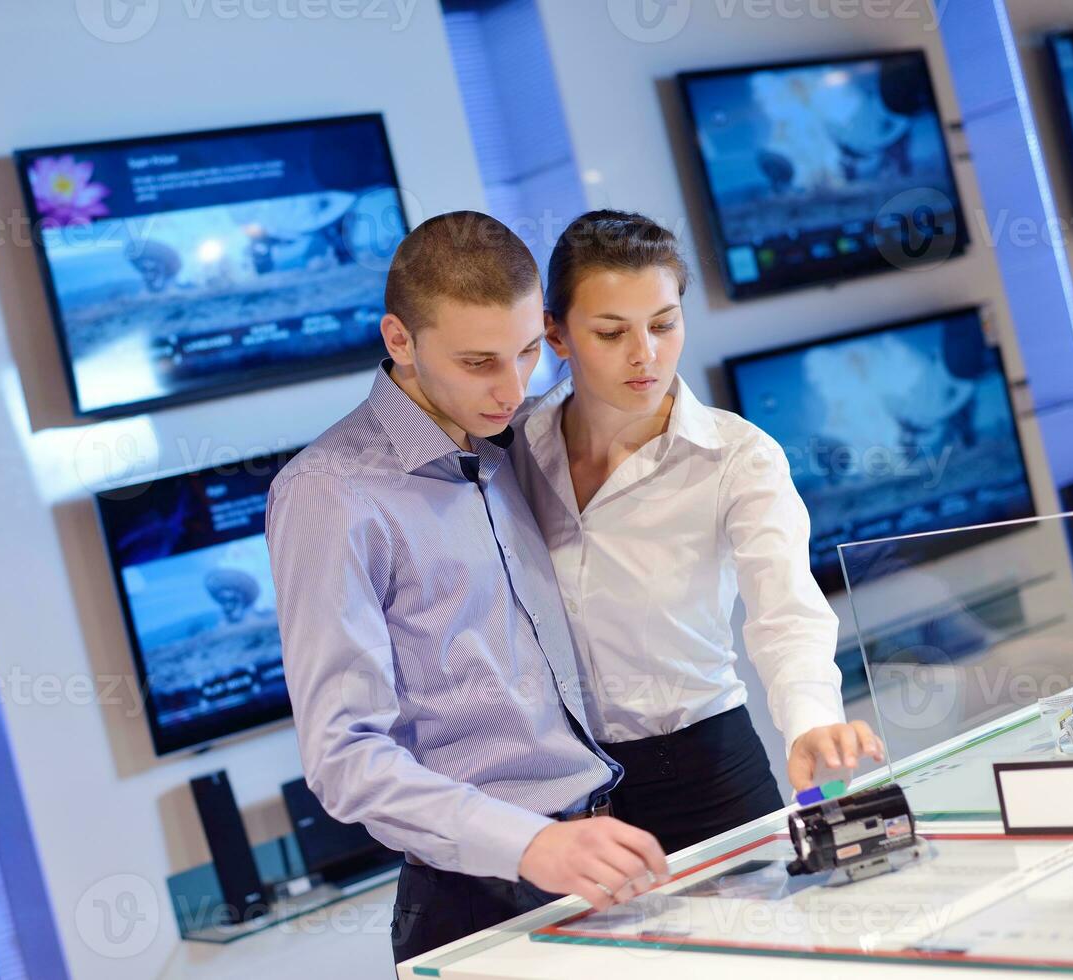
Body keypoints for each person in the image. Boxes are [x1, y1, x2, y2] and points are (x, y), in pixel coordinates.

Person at [265, 211, 670, 964]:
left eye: (524, 353)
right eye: (480, 362)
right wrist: (529, 845)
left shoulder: (503, 442)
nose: (511, 390)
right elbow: (344, 757)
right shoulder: (328, 494)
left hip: (600, 844)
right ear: (399, 341)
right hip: (482, 895)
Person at [510, 210, 885, 856]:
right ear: (555, 334)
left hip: (704, 771)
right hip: (563, 795)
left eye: (663, 324)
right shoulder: (513, 445)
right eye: (610, 332)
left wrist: (812, 721)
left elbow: (786, 613)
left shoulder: (737, 456)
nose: (644, 355)